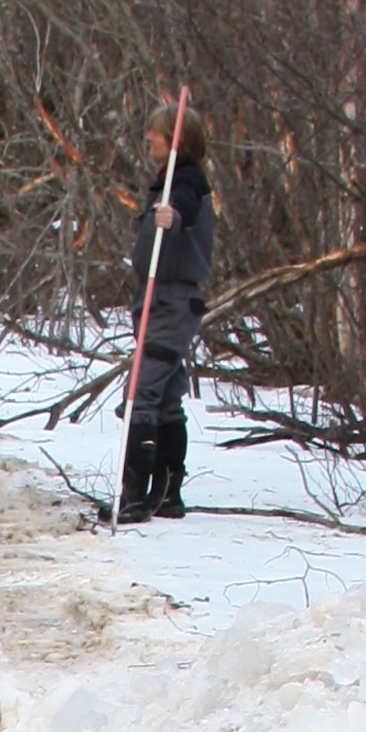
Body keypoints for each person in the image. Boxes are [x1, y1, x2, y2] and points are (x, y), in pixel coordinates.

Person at [119, 101, 213, 521]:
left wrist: (171, 217)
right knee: (168, 399)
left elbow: (185, 212)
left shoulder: (185, 180)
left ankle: (134, 498)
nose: (148, 138)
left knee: (141, 393)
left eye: (155, 132)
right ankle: (167, 496)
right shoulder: (167, 180)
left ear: (175, 141)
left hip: (170, 303)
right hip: (159, 302)